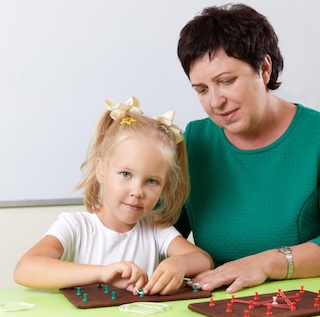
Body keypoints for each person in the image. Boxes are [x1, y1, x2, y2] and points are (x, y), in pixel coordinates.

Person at [175, 3, 320, 294]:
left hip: (301, 308)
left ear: (264, 68)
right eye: (202, 89)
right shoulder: (194, 140)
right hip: (215, 305)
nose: (215, 102)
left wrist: (266, 264)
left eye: (226, 81)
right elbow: (156, 232)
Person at [14, 97, 213, 295]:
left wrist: (178, 264)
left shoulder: (155, 228)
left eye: (152, 181)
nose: (137, 191)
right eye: (126, 174)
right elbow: (25, 269)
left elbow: (203, 260)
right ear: (101, 170)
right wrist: (102, 273)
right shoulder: (74, 226)